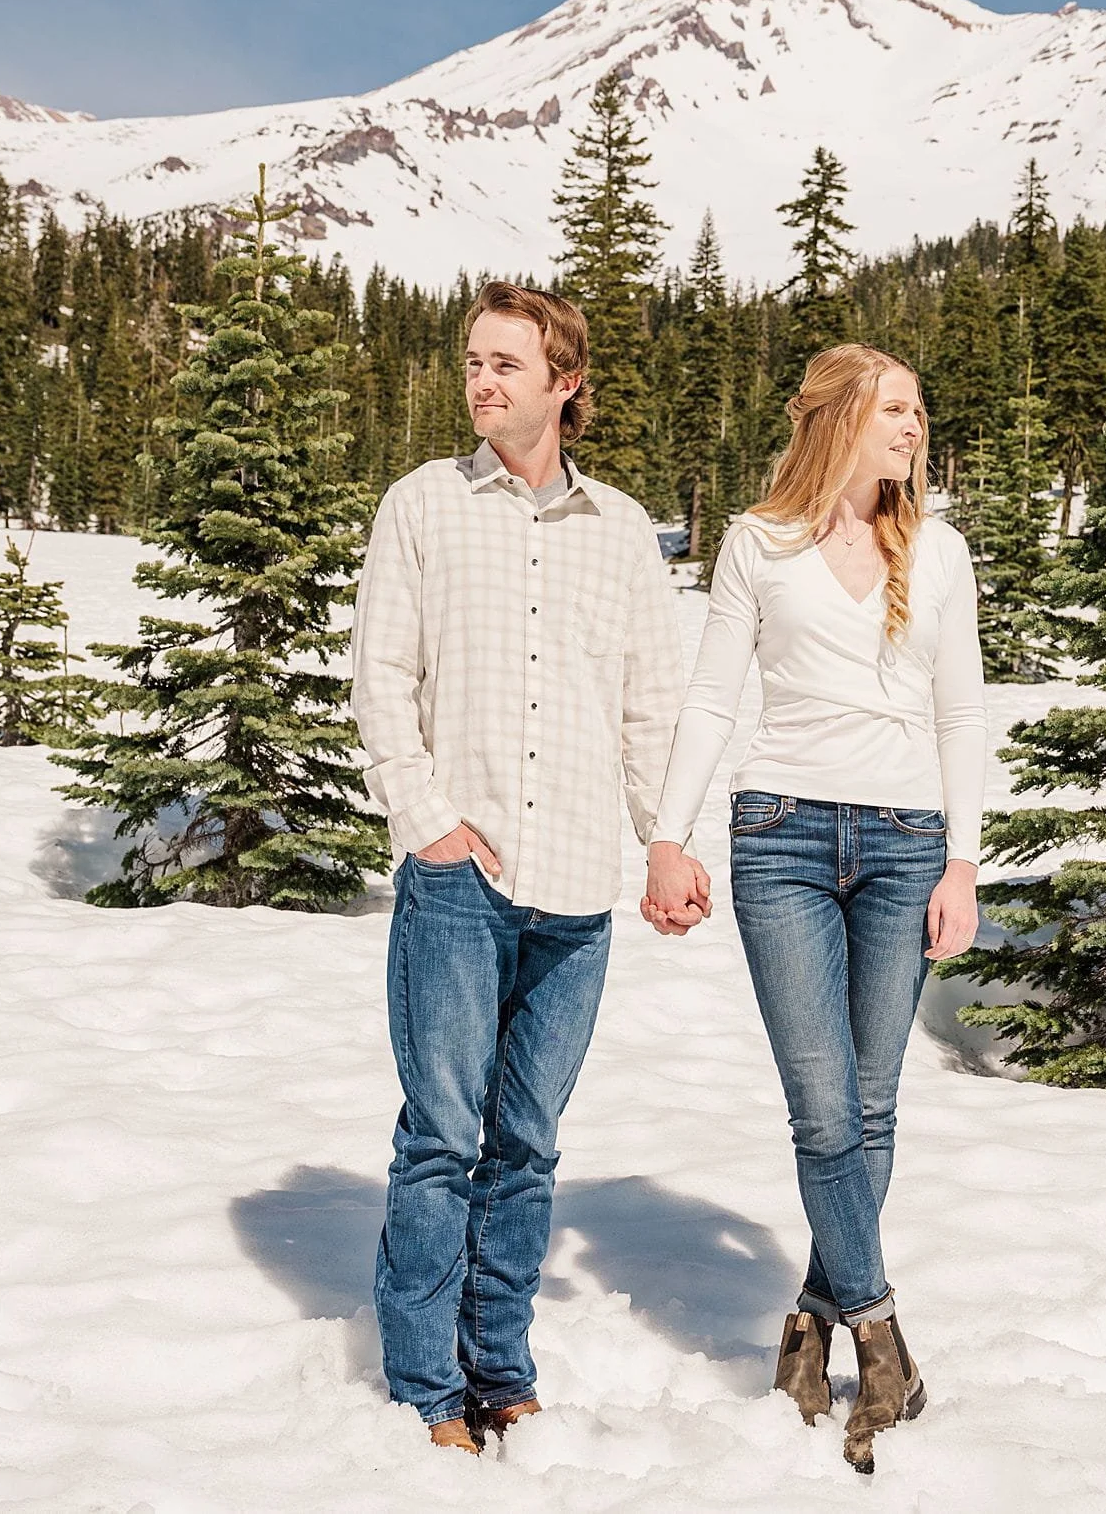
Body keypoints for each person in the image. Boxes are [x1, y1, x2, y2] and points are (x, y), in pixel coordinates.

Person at [353, 280, 707, 1455]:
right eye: (470, 361)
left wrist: (662, 840)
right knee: (442, 1135)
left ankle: (499, 1363)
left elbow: (652, 706)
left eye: (507, 363)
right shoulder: (422, 506)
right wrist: (429, 823)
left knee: (527, 1146)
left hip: (574, 889)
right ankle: (423, 1379)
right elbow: (381, 681)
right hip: (460, 879)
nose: (481, 381)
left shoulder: (621, 530)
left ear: (566, 383)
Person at [643, 343, 984, 1473]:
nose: (916, 427)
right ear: (840, 417)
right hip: (779, 837)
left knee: (873, 1100)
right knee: (823, 1103)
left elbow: (960, 717)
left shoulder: (937, 552)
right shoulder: (759, 542)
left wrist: (962, 866)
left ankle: (808, 1321)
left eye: (920, 412)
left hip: (904, 843)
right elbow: (708, 693)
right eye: (898, 408)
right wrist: (666, 832)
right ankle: (879, 1332)